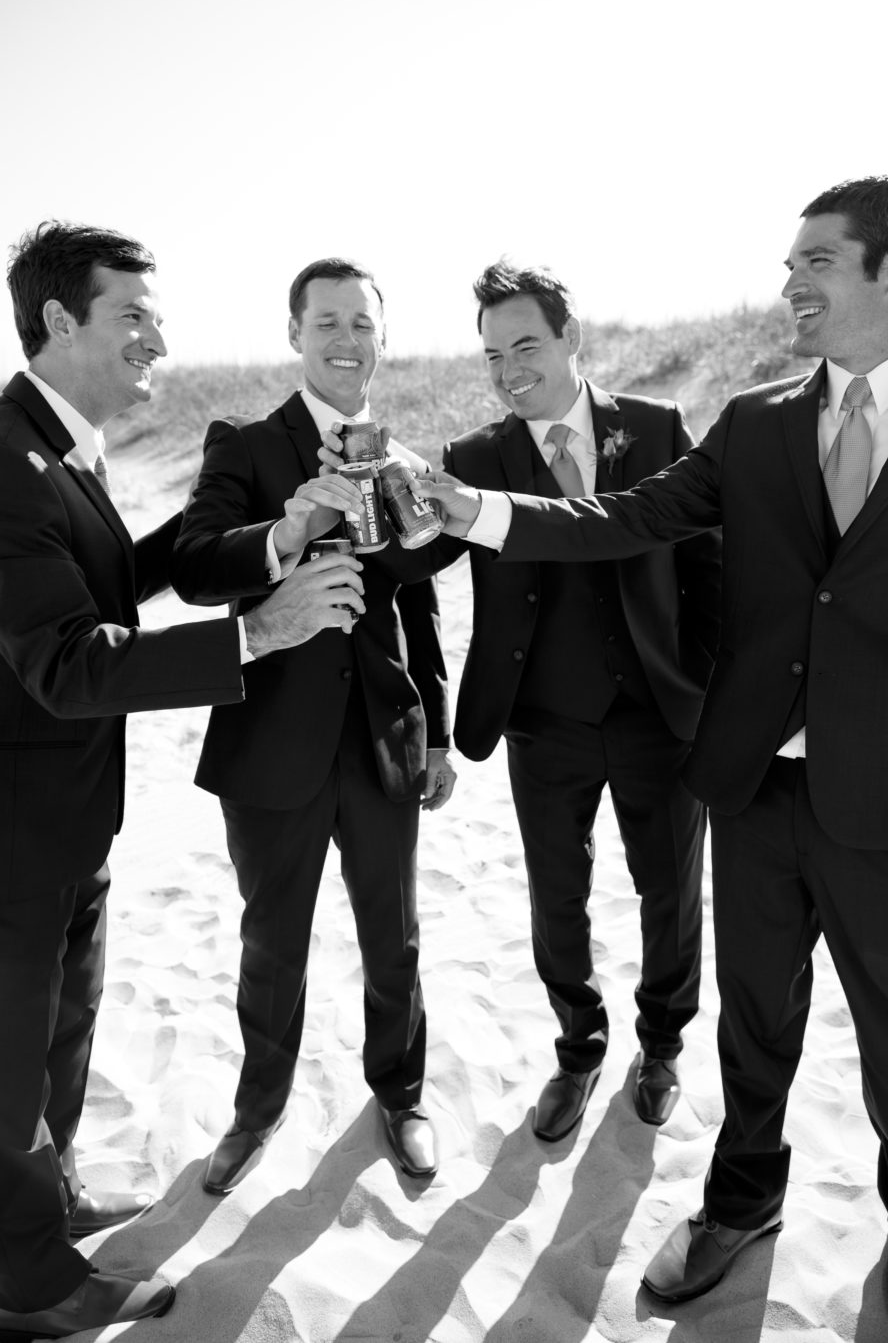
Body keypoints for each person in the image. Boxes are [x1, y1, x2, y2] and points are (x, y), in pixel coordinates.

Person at [416, 175, 888, 1331]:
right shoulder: (755, 422)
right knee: (754, 1023)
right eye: (788, 263)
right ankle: (741, 1204)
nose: (789, 283)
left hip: (886, 797)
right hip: (754, 786)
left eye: (818, 261)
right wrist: (475, 511)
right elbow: (626, 520)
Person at [0, 223, 364, 1337]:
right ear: (59, 321)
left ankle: (51, 1203)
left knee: (61, 1033)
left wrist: (275, 537)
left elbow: (114, 575)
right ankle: (29, 1285)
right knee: (9, 1065)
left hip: (72, 822)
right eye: (133, 317)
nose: (158, 340)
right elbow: (68, 661)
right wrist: (260, 633)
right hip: (14, 834)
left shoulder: (59, 446)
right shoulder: (4, 461)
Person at [171, 257, 456, 1196]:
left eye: (361, 323)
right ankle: (257, 1112)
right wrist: (287, 534)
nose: (345, 339)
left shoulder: (406, 460)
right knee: (272, 942)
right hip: (271, 743)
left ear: (383, 339)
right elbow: (194, 567)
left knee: (395, 937)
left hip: (383, 740)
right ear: (294, 334)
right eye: (326, 322)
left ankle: (402, 1097)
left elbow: (419, 611)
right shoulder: (245, 445)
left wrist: (438, 733)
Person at [436, 262, 721, 1141]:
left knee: (669, 888)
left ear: (571, 339)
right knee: (556, 895)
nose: (509, 369)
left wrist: (704, 677)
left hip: (658, 712)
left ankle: (662, 1044)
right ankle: (579, 1044)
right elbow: (416, 563)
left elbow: (708, 564)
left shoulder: (656, 424)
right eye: (492, 355)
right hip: (541, 719)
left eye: (526, 344)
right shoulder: (471, 458)